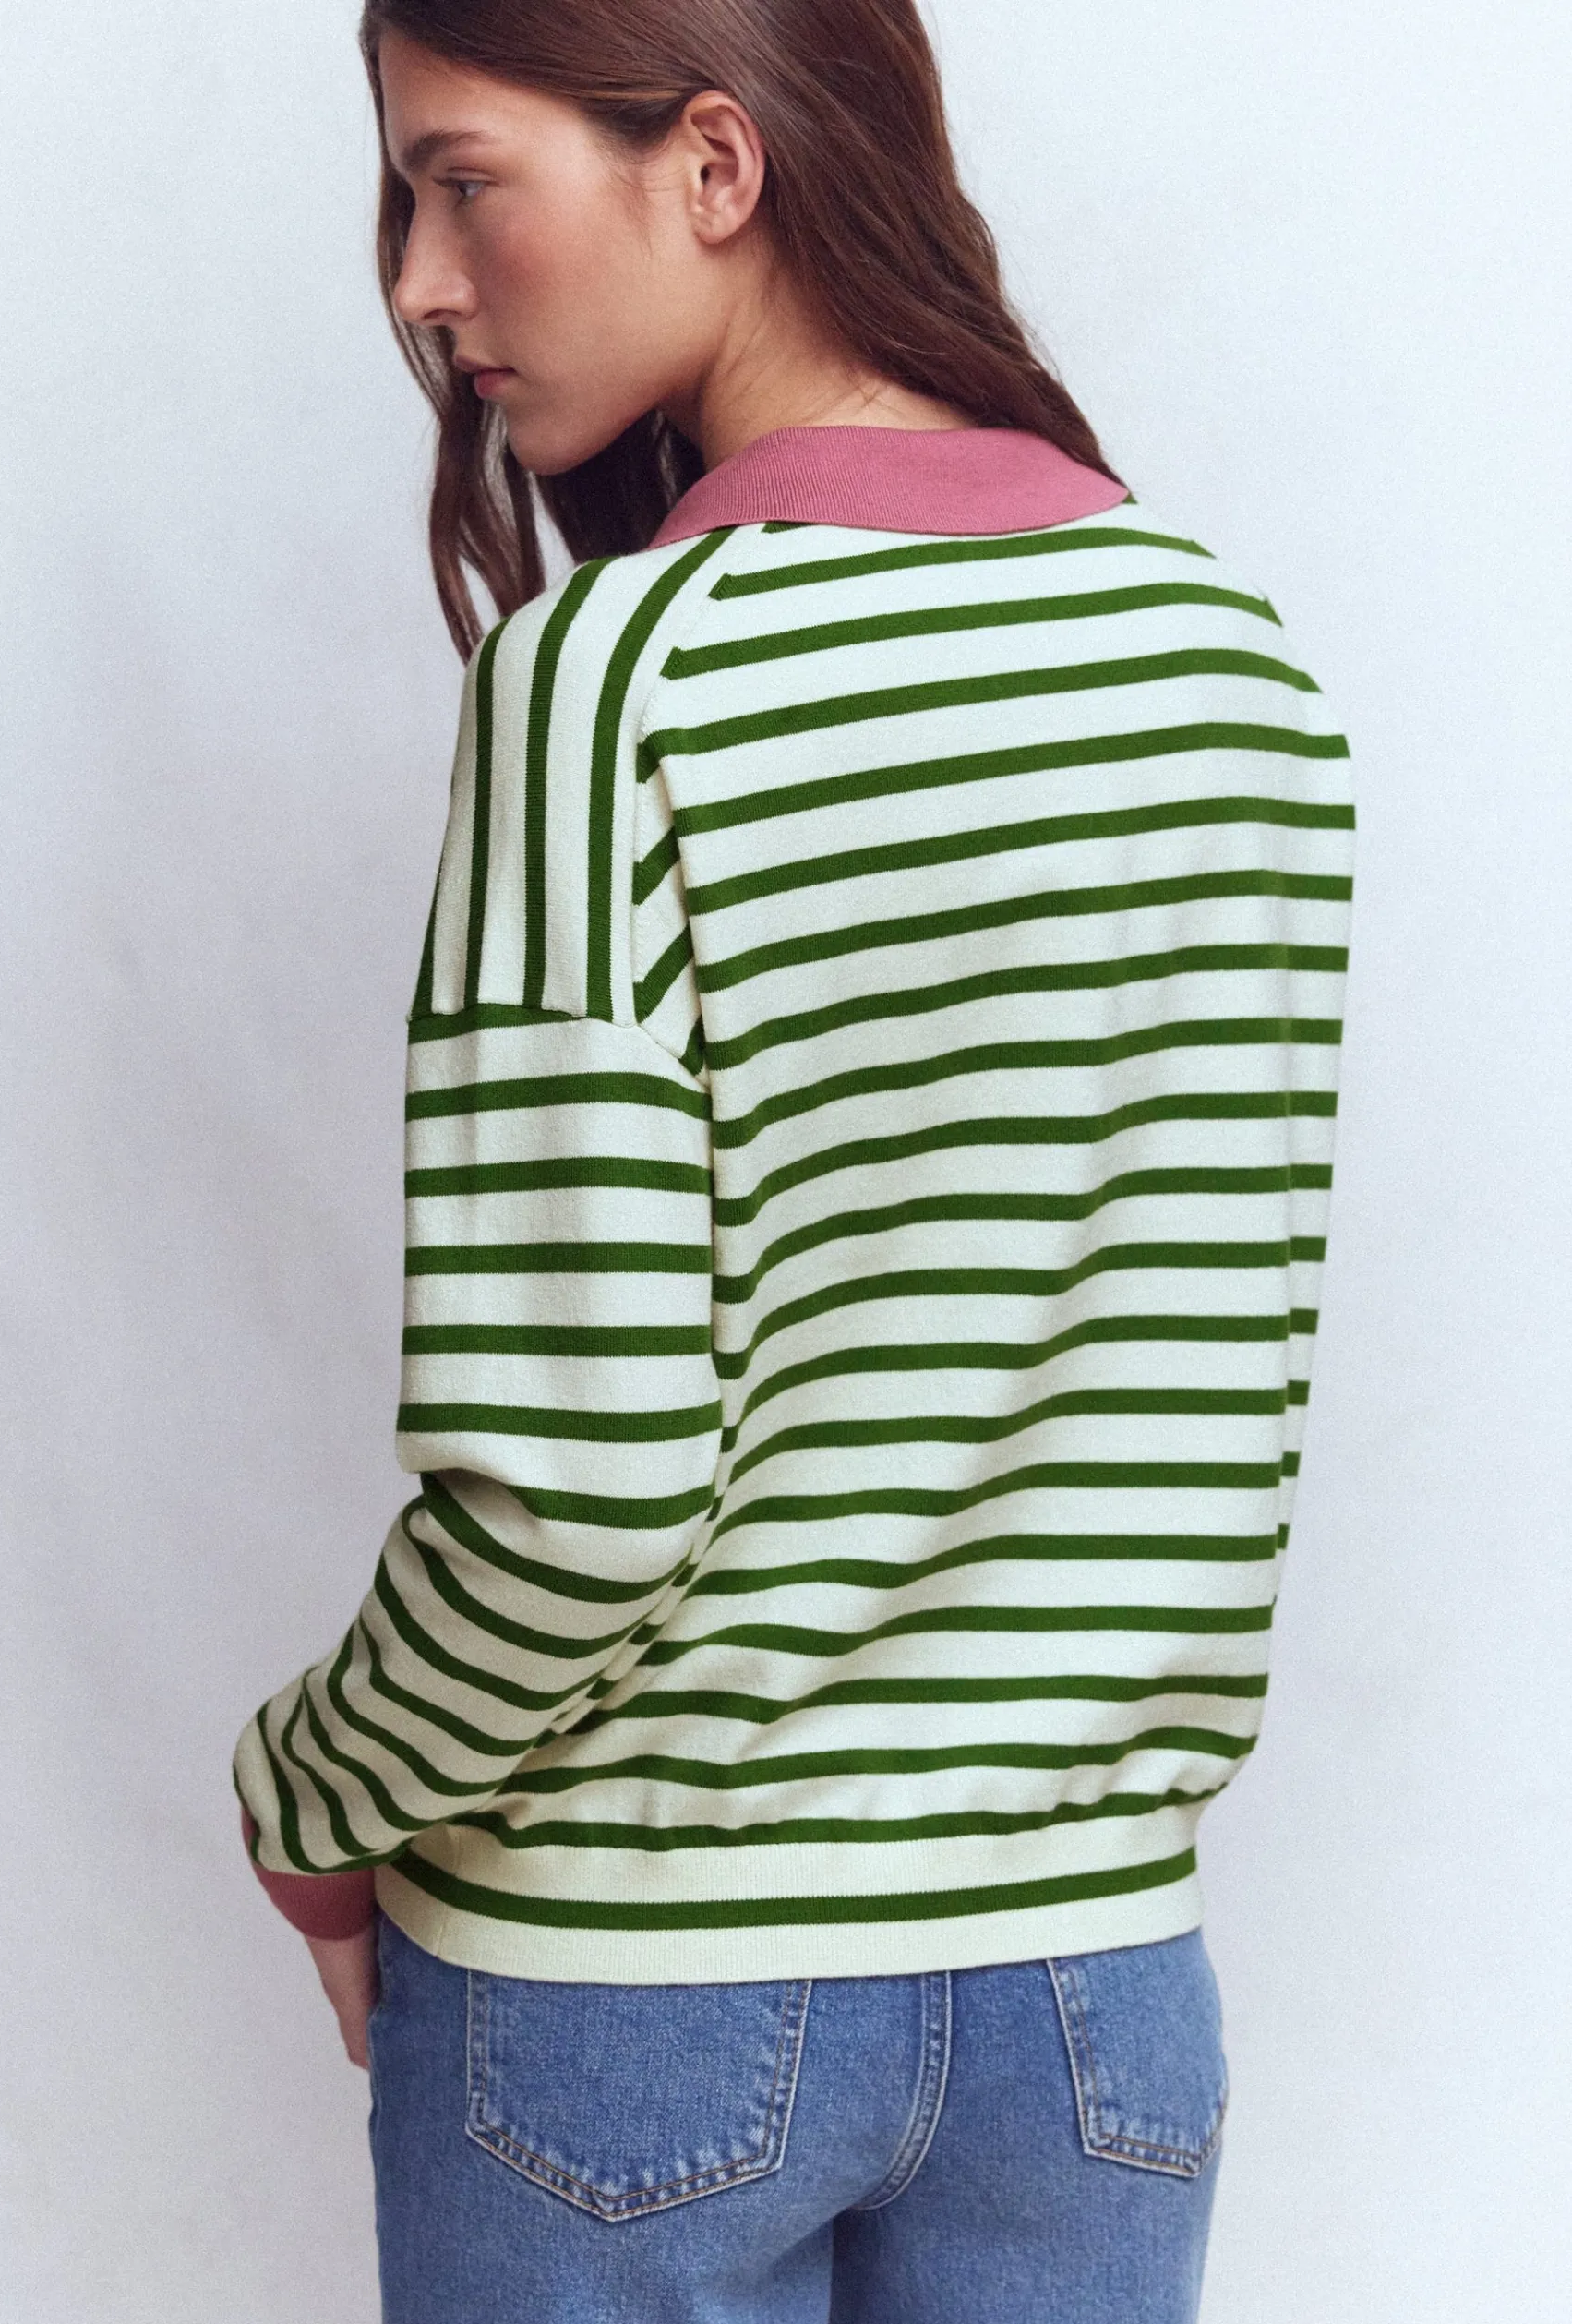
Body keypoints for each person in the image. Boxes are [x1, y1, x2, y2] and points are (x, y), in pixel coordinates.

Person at [233, 4, 1354, 2317]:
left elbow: (579, 1502)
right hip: (1096, 2004)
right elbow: (1197, 1404)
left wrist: (309, 1798)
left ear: (716, 167)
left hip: (632, 2005)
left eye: (461, 178)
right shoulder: (1227, 664)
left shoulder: (617, 684)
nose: (419, 282)